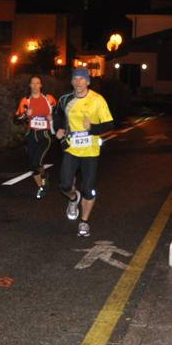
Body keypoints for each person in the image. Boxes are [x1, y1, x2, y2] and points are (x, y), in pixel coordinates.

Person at [53, 67, 114, 238]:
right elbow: (57, 115)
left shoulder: (97, 100)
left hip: (90, 152)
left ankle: (84, 222)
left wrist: (92, 128)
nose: (78, 82)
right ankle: (73, 198)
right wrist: (58, 129)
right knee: (65, 185)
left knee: (88, 189)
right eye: (75, 79)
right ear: (72, 82)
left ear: (88, 81)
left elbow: (110, 124)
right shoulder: (65, 99)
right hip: (71, 149)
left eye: (81, 79)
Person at [14, 75, 57, 199]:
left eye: (37, 83)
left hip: (44, 135)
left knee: (37, 162)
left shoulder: (49, 99)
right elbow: (16, 119)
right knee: (33, 166)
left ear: (41, 85)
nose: (35, 86)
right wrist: (25, 115)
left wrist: (52, 117)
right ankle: (42, 184)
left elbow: (59, 111)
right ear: (30, 85)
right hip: (31, 135)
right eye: (32, 83)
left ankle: (43, 182)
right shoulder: (25, 101)